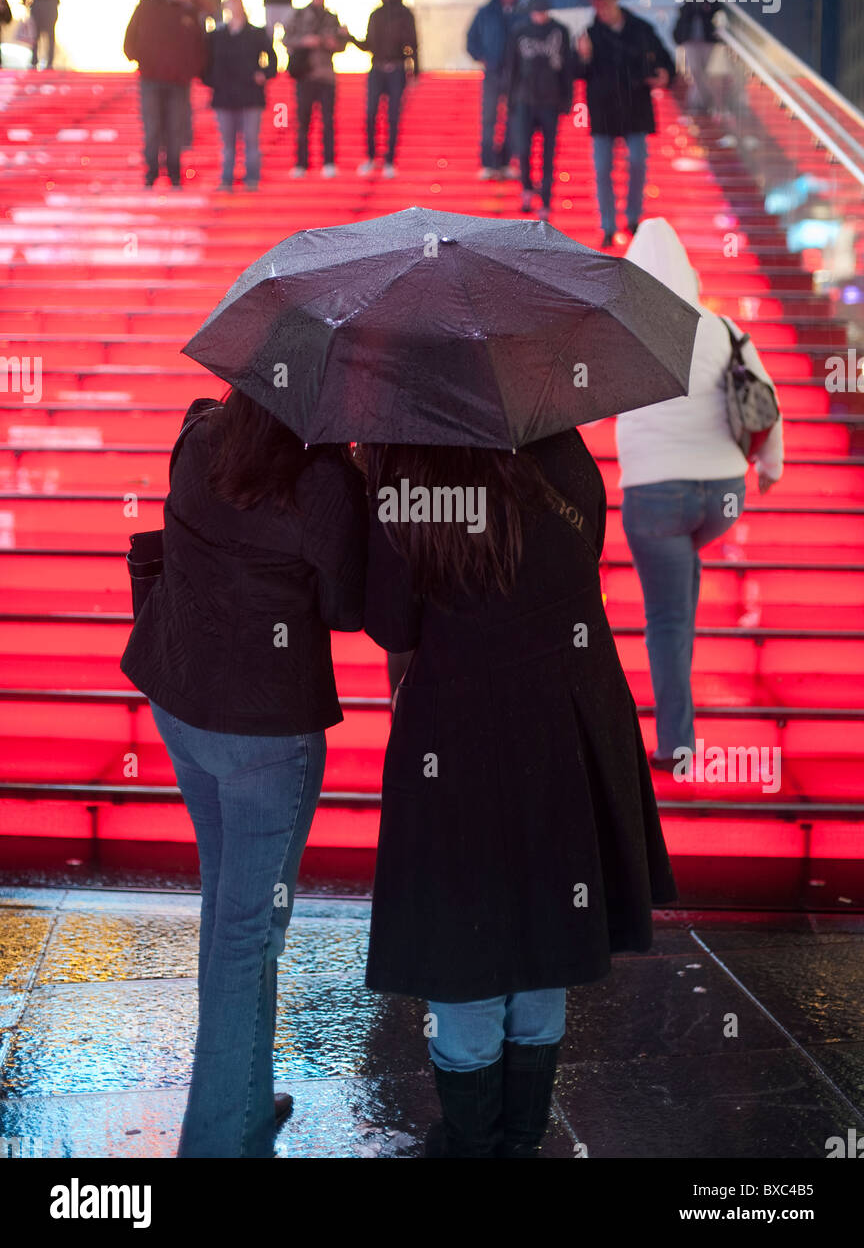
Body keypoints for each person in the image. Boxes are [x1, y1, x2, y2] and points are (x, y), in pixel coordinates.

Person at [360, 432, 678, 1158]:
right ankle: (523, 1137)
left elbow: (388, 620)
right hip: (564, 712)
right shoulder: (561, 452)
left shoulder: (408, 468)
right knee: (547, 923)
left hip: (454, 723)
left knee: (463, 931)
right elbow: (584, 555)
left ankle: (472, 1136)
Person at [120, 390, 367, 1158]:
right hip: (265, 735)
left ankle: (247, 1101)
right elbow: (347, 608)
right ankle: (219, 1139)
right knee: (247, 933)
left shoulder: (199, 435)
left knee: (232, 917)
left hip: (183, 707)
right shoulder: (323, 479)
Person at [617, 219, 784, 771]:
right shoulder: (724, 328)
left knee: (665, 618)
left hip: (655, 497)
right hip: (722, 497)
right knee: (680, 592)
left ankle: (677, 744)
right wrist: (769, 464)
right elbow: (765, 395)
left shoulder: (623, 329)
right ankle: (684, 589)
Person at [574, 0, 675, 248]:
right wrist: (583, 57)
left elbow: (665, 59)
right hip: (603, 110)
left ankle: (632, 217)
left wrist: (665, 74)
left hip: (635, 106)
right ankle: (608, 224)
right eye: (597, 5)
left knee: (638, 161)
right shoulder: (589, 34)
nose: (602, 10)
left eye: (605, 4)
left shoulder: (640, 29)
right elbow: (578, 73)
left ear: (615, 0)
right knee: (602, 168)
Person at [123, 0, 206, 188]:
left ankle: (174, 175)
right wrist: (139, 59)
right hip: (151, 78)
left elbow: (200, 47)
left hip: (179, 82)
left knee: (174, 129)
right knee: (152, 127)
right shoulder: (148, 7)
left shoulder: (190, 11)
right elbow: (130, 39)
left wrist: (192, 70)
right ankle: (151, 174)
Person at [505, 0, 572, 222]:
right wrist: (511, 98)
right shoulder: (519, 31)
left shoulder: (560, 31)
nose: (540, 14)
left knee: (548, 153)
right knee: (523, 149)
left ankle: (545, 200)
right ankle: (526, 189)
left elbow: (567, 69)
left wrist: (566, 100)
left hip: (550, 100)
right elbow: (512, 67)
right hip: (524, 99)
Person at [203, 0, 276, 192]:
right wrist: (211, 81)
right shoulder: (217, 35)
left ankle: (252, 178)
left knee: (251, 140)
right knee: (227, 142)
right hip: (225, 95)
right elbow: (206, 62)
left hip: (250, 94)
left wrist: (264, 74)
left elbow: (273, 60)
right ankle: (227, 179)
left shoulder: (256, 33)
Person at [353, 0, 419, 178]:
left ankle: (390, 160)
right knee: (371, 113)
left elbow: (414, 44)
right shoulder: (376, 15)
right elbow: (368, 44)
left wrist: (415, 71)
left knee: (393, 116)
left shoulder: (405, 14)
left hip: (397, 69)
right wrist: (349, 38)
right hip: (377, 68)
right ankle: (371, 157)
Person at [283, 0, 349, 179]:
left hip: (326, 75)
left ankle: (329, 162)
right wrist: (304, 41)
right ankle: (301, 162)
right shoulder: (300, 14)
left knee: (328, 121)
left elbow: (341, 45)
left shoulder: (332, 17)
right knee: (303, 122)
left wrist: (336, 41)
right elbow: (286, 39)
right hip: (305, 75)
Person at [466, 0, 521, 179]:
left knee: (513, 119)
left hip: (515, 73)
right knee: (489, 117)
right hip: (493, 73)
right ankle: (488, 163)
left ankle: (506, 162)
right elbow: (471, 39)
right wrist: (481, 56)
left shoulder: (522, 11)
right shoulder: (486, 12)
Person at [672, 0, 725, 114]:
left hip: (708, 41)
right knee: (695, 71)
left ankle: (703, 104)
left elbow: (716, 13)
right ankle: (701, 103)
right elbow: (683, 16)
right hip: (691, 42)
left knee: (709, 73)